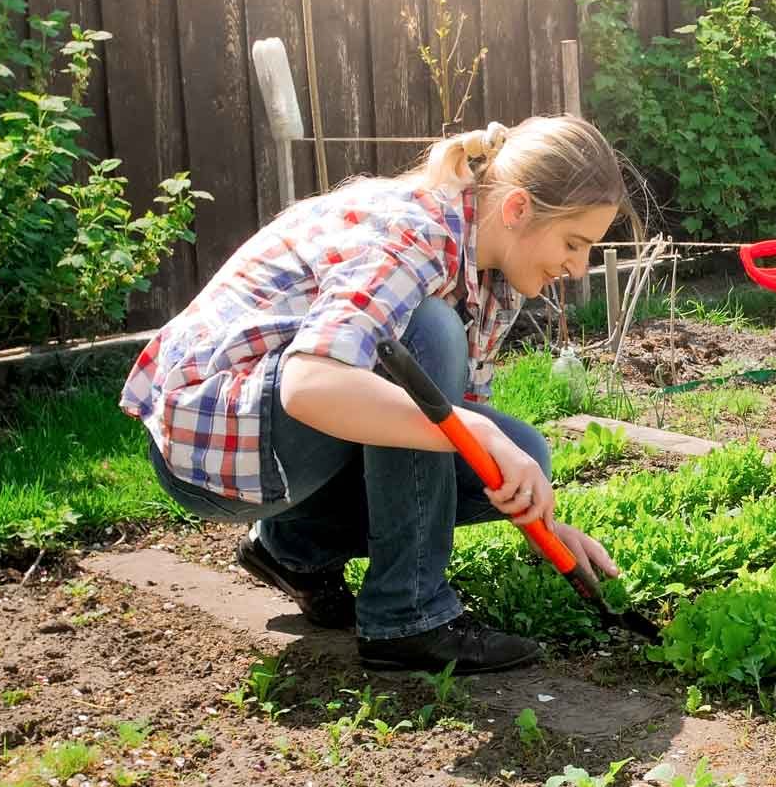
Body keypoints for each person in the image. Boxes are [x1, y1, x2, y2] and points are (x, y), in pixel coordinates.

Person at [121, 116, 635, 672]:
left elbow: (454, 416)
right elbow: (309, 384)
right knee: (427, 331)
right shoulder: (415, 232)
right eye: (574, 243)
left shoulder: (493, 275)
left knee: (521, 456)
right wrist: (477, 431)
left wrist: (543, 524)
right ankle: (407, 616)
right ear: (516, 211)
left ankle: (291, 548)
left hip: (279, 442)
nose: (579, 267)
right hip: (218, 441)